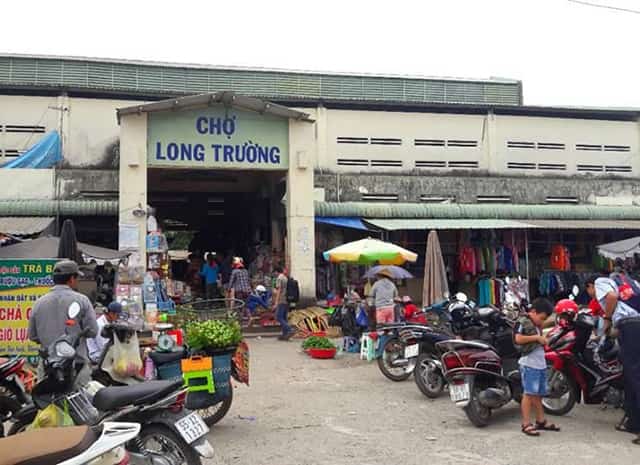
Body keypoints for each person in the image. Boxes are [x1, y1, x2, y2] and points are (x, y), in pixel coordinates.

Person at [586, 275, 640, 445]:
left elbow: (611, 296)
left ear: (590, 286)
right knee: (630, 376)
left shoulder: (600, 282)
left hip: (631, 325)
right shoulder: (625, 281)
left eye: (589, 292)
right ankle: (633, 423)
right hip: (633, 325)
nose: (593, 295)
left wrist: (608, 318)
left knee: (635, 377)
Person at [28, 260, 98, 388]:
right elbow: (93, 331)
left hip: (48, 367)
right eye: (77, 278)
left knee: (47, 400)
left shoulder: (39, 303)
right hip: (76, 368)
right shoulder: (82, 300)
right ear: (71, 279)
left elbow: (32, 336)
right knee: (78, 400)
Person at [514, 297, 560, 437]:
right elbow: (518, 339)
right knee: (528, 394)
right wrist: (537, 338)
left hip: (539, 364)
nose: (542, 321)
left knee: (538, 395)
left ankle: (541, 420)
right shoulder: (523, 321)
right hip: (529, 364)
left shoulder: (536, 325)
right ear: (533, 311)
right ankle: (526, 424)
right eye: (542, 318)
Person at [273, 266, 294, 340]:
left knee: (279, 317)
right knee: (284, 317)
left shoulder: (279, 278)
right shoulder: (285, 278)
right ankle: (285, 334)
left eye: (274, 272)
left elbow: (279, 291)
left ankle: (290, 329)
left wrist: (276, 302)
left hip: (282, 300)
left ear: (276, 272)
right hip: (287, 299)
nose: (274, 274)